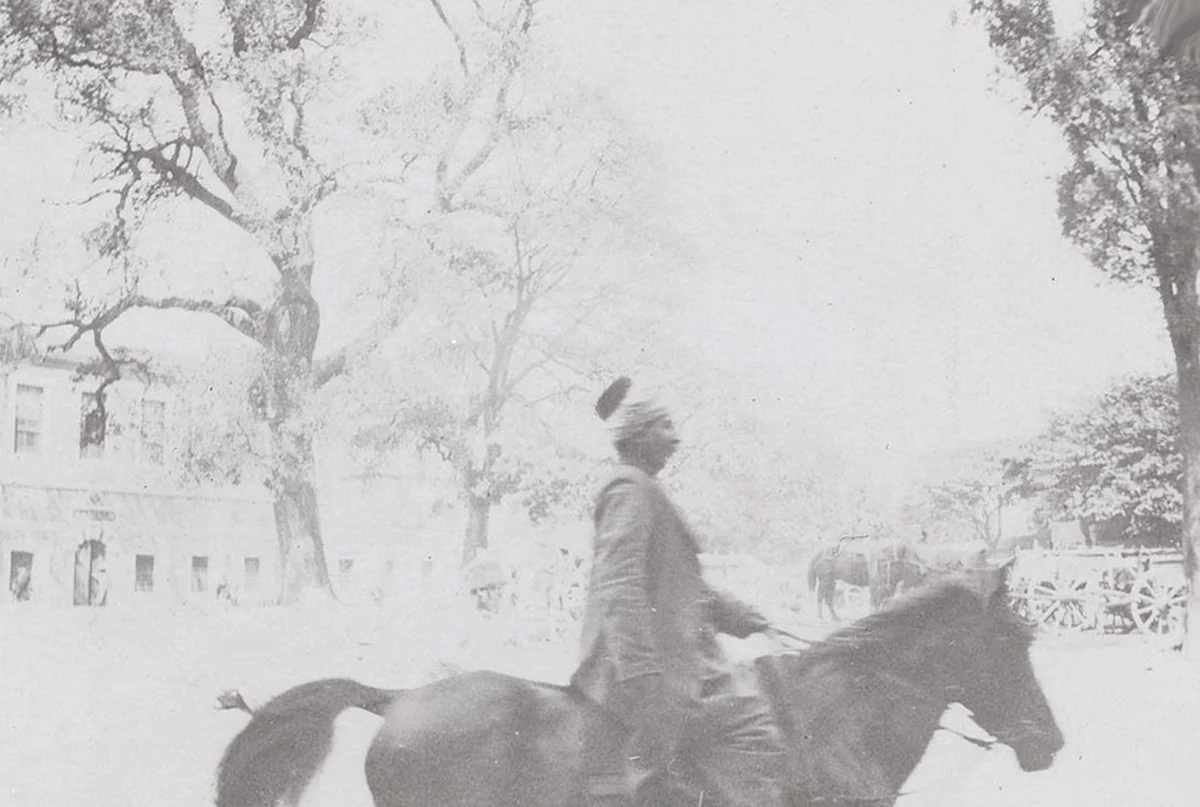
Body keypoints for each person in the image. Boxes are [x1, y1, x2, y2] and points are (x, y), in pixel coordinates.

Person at [571, 376, 787, 807]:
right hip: (641, 674)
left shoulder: (642, 489)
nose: (676, 438)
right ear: (636, 434)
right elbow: (619, 584)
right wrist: (642, 674)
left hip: (656, 666)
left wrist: (746, 617)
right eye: (665, 426)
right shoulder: (630, 488)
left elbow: (681, 589)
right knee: (754, 727)